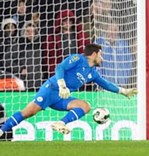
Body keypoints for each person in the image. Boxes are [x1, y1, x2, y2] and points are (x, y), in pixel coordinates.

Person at [0, 43, 137, 137]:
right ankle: (1, 130)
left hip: (61, 97)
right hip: (51, 90)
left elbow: (106, 84)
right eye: (100, 54)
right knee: (27, 113)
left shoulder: (93, 73)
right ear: (94, 54)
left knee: (85, 106)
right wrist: (62, 85)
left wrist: (123, 91)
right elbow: (59, 68)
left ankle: (60, 123)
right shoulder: (77, 58)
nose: (102, 58)